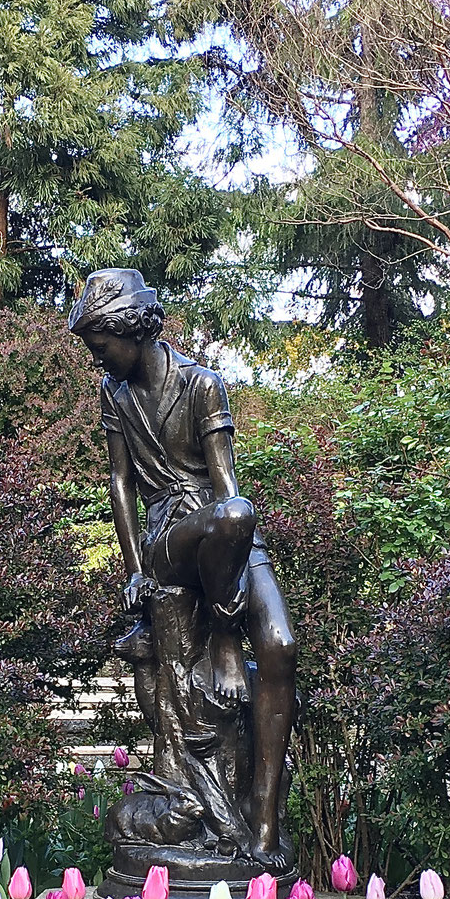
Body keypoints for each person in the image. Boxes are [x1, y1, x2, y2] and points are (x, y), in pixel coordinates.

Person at [69, 269, 297, 868]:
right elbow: (120, 483)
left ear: (133, 332)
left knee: (279, 647)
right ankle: (223, 639)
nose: (98, 360)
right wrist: (135, 570)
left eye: (101, 347)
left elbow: (228, 490)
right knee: (228, 521)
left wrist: (235, 544)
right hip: (169, 534)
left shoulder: (202, 385)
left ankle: (263, 825)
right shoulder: (114, 394)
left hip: (225, 531)